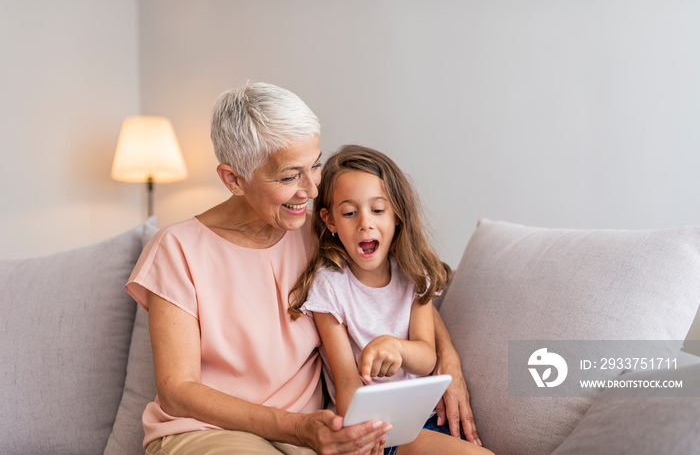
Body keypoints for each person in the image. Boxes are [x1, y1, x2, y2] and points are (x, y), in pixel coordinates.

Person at [125, 82, 479, 454]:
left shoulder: (325, 229)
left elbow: (399, 290)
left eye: (315, 166)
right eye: (290, 176)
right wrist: (299, 428)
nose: (311, 190)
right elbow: (177, 391)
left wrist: (448, 361)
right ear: (233, 179)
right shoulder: (177, 249)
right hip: (208, 432)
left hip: (313, 437)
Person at [288, 145, 492, 455]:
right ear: (330, 222)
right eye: (349, 212)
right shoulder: (329, 288)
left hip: (426, 418)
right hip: (379, 432)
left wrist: (396, 347)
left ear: (397, 214)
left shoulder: (413, 274)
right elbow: (346, 384)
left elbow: (427, 359)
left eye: (378, 209)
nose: (364, 223)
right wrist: (364, 437)